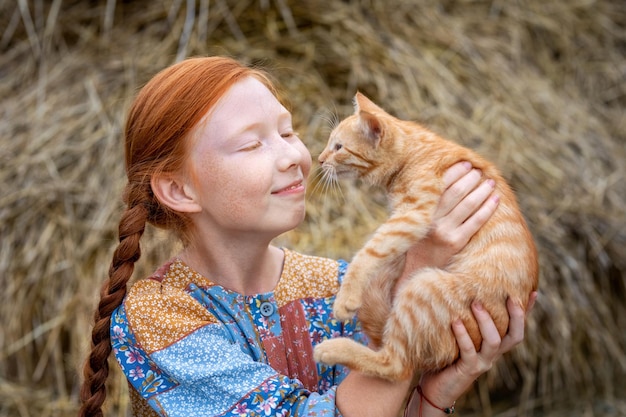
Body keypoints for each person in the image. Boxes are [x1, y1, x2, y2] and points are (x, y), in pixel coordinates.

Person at [79, 56, 537, 417]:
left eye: (287, 130)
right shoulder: (157, 315)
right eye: (252, 143)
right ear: (180, 189)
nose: (295, 157)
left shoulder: (338, 286)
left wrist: (435, 396)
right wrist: (419, 266)